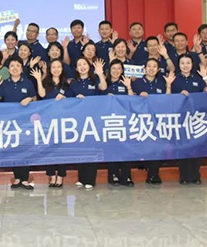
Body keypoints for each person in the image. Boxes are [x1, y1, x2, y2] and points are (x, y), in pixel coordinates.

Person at [0, 57, 36, 189]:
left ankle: (25, 178)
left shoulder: (27, 82)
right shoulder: (4, 83)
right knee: (14, 149)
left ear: (22, 69)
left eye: (18, 65)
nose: (15, 68)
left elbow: (35, 98)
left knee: (26, 149)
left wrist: (29, 99)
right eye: (12, 66)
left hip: (26, 122)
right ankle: (17, 178)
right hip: (10, 123)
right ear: (8, 69)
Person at [171, 55, 207, 185]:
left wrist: (205, 77)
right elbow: (168, 98)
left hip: (197, 118)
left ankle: (195, 175)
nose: (185, 65)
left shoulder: (198, 79)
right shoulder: (174, 79)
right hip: (181, 119)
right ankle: (184, 176)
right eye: (182, 63)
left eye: (188, 63)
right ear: (178, 65)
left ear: (192, 64)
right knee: (183, 148)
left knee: (197, 147)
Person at [132, 58, 175, 185]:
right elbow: (130, 99)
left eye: (154, 66)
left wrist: (168, 85)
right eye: (149, 66)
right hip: (141, 119)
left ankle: (153, 174)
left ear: (157, 70)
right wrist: (138, 96)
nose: (151, 69)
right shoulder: (138, 82)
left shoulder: (161, 82)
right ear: (144, 69)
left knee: (157, 146)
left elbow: (167, 100)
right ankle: (144, 166)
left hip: (157, 119)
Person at [67, 57, 107, 189]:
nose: (82, 67)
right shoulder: (73, 83)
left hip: (93, 119)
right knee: (81, 149)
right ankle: (82, 178)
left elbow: (103, 87)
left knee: (92, 148)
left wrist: (100, 74)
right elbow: (68, 100)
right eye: (79, 65)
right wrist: (76, 99)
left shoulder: (95, 80)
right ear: (76, 68)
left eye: (84, 64)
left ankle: (90, 179)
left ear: (89, 66)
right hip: (78, 120)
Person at [37, 58, 70, 187]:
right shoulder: (45, 82)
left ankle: (60, 176)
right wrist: (39, 79)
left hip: (62, 121)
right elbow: (41, 95)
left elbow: (72, 100)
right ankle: (51, 176)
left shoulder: (66, 83)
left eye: (59, 67)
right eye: (53, 67)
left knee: (62, 150)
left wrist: (65, 98)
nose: (56, 70)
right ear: (50, 69)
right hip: (48, 121)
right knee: (49, 149)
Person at [103, 59, 135, 186]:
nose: (116, 71)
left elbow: (133, 101)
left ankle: (127, 176)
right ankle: (113, 175)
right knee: (112, 148)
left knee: (126, 148)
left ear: (122, 71)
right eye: (113, 68)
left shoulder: (126, 82)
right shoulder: (105, 83)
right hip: (109, 121)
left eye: (119, 69)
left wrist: (129, 87)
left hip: (124, 120)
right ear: (109, 70)